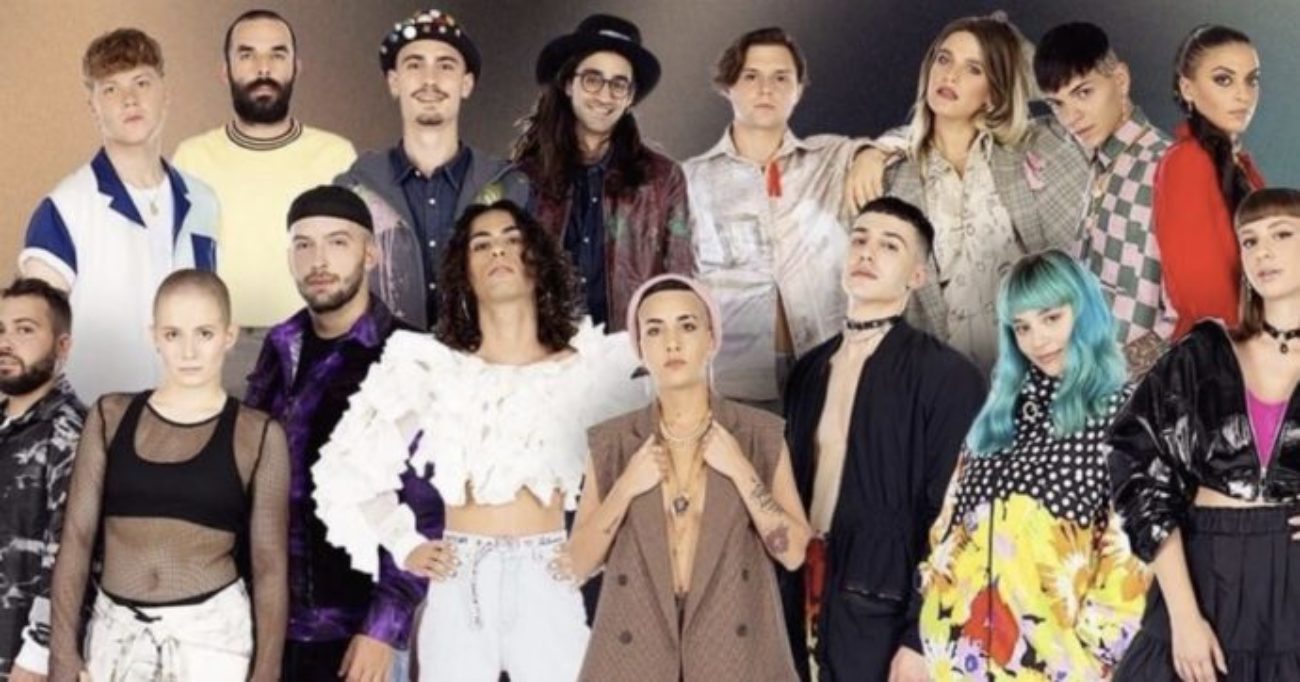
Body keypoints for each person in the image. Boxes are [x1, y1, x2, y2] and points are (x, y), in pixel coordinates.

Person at [312, 200, 646, 681]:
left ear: (538, 261)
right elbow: (345, 467)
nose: (498, 252)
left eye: (512, 240)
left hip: (549, 573)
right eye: (481, 244)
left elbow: (647, 473)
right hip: (459, 577)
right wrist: (405, 543)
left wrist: (593, 552)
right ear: (464, 271)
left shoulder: (588, 370)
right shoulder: (433, 368)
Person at [561, 273, 810, 680]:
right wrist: (625, 488)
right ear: (639, 347)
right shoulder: (612, 442)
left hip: (734, 653)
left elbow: (794, 553)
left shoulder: (758, 433)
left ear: (712, 339)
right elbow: (576, 565)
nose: (672, 343)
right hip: (635, 654)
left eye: (687, 326)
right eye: (654, 330)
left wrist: (741, 470)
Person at [918, 250, 1148, 679]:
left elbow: (1133, 551)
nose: (1037, 340)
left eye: (1051, 318)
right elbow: (947, 526)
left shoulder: (1123, 413)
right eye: (1021, 327)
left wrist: (1091, 652)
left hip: (1055, 663)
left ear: (1085, 313)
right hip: (957, 658)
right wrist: (936, 605)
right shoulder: (997, 417)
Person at [48, 271, 288, 682]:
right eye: (173, 334)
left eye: (204, 333)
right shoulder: (110, 417)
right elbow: (76, 538)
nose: (189, 351)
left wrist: (267, 670)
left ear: (229, 335)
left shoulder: (258, 434)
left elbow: (270, 565)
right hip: (115, 635)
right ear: (154, 336)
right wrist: (61, 652)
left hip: (212, 640)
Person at [781, 198, 984, 681]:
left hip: (883, 606)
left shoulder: (948, 376)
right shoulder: (809, 371)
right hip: (801, 591)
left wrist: (921, 636)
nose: (867, 253)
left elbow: (960, 517)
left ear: (917, 275)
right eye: (859, 239)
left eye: (890, 246)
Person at [1109, 188, 1300, 682]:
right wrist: (1184, 618)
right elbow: (1140, 474)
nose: (1263, 251)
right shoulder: (1200, 355)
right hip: (1204, 569)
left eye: (1282, 234)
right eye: (1250, 240)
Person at [244, 187, 434, 681]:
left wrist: (383, 628)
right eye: (303, 245)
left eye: (338, 242)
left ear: (370, 254)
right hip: (273, 627)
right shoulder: (279, 347)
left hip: (360, 633)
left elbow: (425, 507)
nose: (319, 261)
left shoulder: (409, 355)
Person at [867, 15, 1089, 374]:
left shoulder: (1036, 147)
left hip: (1038, 371)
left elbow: (1081, 97)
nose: (950, 76)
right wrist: (873, 151)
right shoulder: (890, 177)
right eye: (944, 59)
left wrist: (1004, 42)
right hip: (944, 380)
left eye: (974, 69)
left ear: (994, 92)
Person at [685, 27, 883, 409]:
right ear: (728, 86)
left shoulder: (831, 158)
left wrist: (873, 153)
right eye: (751, 77)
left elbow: (914, 139)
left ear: (798, 90)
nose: (766, 89)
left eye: (781, 78)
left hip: (828, 364)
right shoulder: (690, 179)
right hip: (733, 375)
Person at [20, 28, 218, 402]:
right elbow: (32, 336)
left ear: (166, 94)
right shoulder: (65, 209)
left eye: (142, 83)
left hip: (189, 415)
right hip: (98, 419)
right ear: (93, 107)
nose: (129, 99)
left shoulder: (203, 201)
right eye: (111, 89)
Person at [173, 9, 357, 394]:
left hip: (316, 344)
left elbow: (359, 261)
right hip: (221, 351)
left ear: (296, 67)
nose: (263, 68)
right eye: (247, 55)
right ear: (224, 70)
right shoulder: (191, 158)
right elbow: (175, 267)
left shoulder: (337, 156)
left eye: (277, 54)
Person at [336, 7, 528, 331]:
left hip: (484, 360)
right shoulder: (353, 191)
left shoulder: (512, 188)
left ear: (466, 84)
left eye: (445, 65)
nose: (430, 80)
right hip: (384, 360)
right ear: (394, 82)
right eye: (414, 65)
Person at [512, 14, 693, 331]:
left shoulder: (663, 178)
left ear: (630, 97)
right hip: (542, 347)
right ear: (569, 84)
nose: (605, 95)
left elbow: (680, 278)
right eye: (593, 79)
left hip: (627, 348)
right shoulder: (523, 178)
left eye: (618, 84)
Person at [1034, 21, 1176, 374]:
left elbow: (1192, 313)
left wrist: (1113, 378)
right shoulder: (1100, 162)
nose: (1070, 117)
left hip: (1140, 392)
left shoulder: (1169, 166)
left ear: (1121, 80)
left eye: (1083, 93)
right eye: (1057, 104)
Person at [1155, 25, 1265, 339]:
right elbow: (1202, 293)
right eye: (1223, 80)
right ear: (1187, 88)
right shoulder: (1186, 162)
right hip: (1226, 349)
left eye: (1251, 80)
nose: (1244, 95)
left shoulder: (1241, 164)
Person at [0, 280, 85, 681]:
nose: (6, 343)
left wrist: (35, 657)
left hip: (18, 660)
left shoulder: (70, 432)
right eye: (1, 330)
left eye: (25, 329)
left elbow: (73, 554)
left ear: (62, 345)